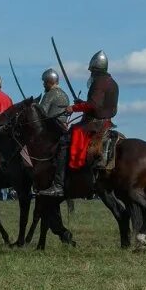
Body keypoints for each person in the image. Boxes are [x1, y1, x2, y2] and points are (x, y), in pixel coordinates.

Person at [40, 50, 118, 197]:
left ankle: (58, 185)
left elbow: (93, 106)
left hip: (94, 124)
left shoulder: (99, 82)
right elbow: (96, 105)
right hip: (106, 122)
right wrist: (82, 103)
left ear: (94, 69)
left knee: (64, 141)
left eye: (91, 71)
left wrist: (73, 108)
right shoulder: (112, 82)